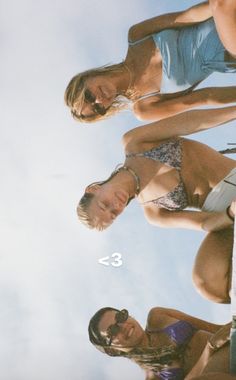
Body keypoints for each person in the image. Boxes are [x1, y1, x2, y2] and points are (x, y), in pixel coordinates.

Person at [77, 104, 236, 303]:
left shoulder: (135, 144)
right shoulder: (154, 213)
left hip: (232, 177)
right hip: (225, 216)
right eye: (113, 214)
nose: (115, 206)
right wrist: (230, 214)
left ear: (93, 189)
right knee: (206, 283)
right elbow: (204, 222)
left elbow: (193, 121)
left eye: (104, 204)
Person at [65, 1, 236, 123]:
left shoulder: (137, 36)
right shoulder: (144, 108)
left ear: (87, 77)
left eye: (88, 96)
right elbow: (203, 98)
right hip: (228, 52)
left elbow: (188, 16)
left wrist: (221, 10)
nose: (98, 101)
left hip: (223, 15)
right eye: (98, 109)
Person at [88, 306, 235, 380]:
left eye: (120, 316)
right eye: (113, 331)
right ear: (112, 350)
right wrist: (209, 349)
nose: (123, 325)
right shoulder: (153, 376)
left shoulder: (158, 316)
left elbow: (216, 329)